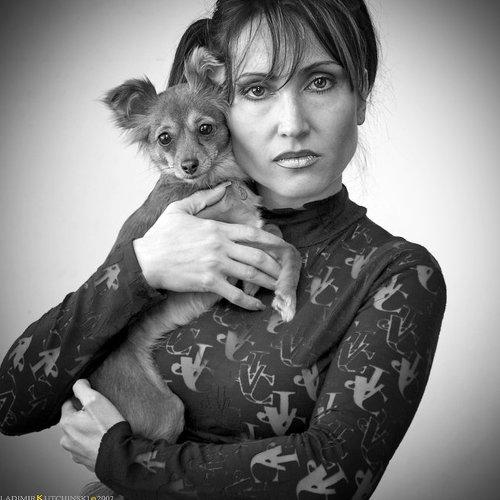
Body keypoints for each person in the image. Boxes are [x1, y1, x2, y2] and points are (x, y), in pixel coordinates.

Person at [0, 0, 447, 498]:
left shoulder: (396, 274)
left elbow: (334, 476)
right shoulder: (164, 223)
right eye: (256, 89)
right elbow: (11, 404)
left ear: (360, 95)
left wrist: (123, 460)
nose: (292, 123)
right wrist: (140, 269)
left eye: (320, 81)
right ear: (223, 99)